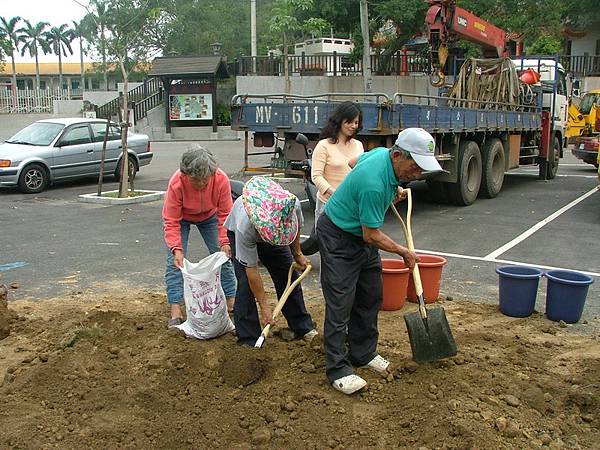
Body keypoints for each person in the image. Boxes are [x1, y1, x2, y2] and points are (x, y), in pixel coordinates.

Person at [316, 127, 444, 395]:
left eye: (423, 168)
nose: (419, 174)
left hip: (359, 236)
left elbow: (353, 162)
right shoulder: (374, 184)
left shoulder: (379, 156)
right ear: (397, 155)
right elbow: (371, 233)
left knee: (370, 294)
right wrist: (403, 252)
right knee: (341, 302)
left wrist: (391, 187)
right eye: (415, 166)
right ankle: (338, 369)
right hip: (339, 236)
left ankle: (362, 352)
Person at [225, 176, 318, 346]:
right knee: (245, 284)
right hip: (242, 232)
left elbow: (295, 228)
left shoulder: (291, 205)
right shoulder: (245, 226)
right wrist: (265, 308)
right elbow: (251, 271)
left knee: (286, 273)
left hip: (278, 233)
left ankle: (302, 326)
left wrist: (297, 253)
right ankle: (248, 337)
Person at [163, 145, 237, 328]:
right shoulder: (176, 183)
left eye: (206, 179)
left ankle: (232, 303)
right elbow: (171, 219)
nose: (202, 184)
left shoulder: (220, 179)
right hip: (182, 218)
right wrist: (176, 249)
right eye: (197, 180)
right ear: (185, 174)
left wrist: (225, 242)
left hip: (210, 216)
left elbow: (225, 214)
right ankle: (175, 309)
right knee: (175, 263)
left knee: (224, 259)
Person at [311, 101, 364, 227]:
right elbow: (316, 176)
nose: (353, 126)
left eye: (356, 123)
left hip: (351, 205)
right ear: (339, 121)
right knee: (327, 243)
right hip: (327, 204)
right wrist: (334, 193)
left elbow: (361, 174)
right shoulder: (324, 145)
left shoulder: (358, 145)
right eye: (349, 122)